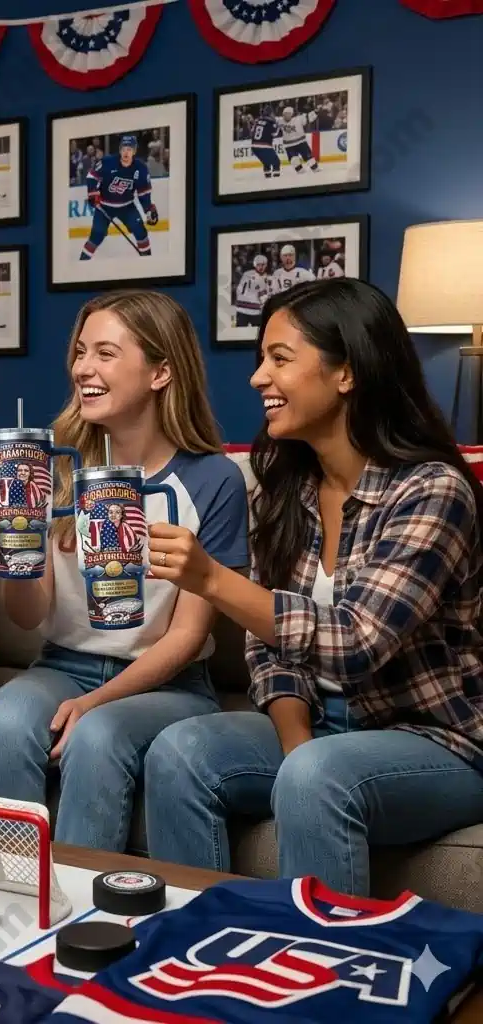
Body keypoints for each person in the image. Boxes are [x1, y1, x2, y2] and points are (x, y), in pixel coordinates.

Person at [144, 277, 483, 896]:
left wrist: (213, 580)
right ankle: (198, 956)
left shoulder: (431, 492)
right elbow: (269, 650)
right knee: (180, 751)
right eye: (260, 360)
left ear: (346, 373)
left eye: (280, 359)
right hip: (323, 728)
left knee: (318, 775)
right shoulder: (289, 491)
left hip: (436, 740)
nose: (257, 379)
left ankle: (319, 981)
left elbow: (357, 642)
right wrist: (295, 738)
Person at [0, 290, 249, 851]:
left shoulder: (214, 480)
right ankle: (4, 902)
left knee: (95, 736)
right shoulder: (54, 468)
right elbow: (27, 618)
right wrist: (11, 554)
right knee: (3, 719)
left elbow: (190, 636)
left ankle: (84, 915)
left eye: (105, 353)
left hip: (169, 683)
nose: (83, 369)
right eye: (79, 352)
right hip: (60, 665)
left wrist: (96, 702)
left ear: (160, 372)